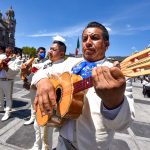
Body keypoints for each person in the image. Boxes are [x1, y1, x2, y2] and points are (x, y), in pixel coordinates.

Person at [31, 22, 135, 150]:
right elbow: (42, 71)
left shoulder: (117, 74)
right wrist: (42, 81)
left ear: (106, 45)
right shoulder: (69, 63)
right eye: (85, 38)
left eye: (95, 38)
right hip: (62, 142)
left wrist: (114, 102)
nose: (88, 42)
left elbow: (124, 124)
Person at [29, 40, 67, 150]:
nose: (49, 51)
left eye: (53, 49)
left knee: (46, 135)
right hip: (39, 102)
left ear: (61, 53)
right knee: (37, 126)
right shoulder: (47, 63)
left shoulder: (64, 66)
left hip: (50, 106)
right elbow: (36, 70)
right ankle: (36, 146)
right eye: (50, 48)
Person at [22, 47, 47, 125]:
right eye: (41, 52)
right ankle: (32, 118)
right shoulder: (32, 61)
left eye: (44, 52)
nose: (43, 53)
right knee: (33, 103)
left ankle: (41, 119)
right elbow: (27, 72)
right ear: (37, 53)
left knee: (42, 103)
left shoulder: (47, 62)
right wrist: (25, 80)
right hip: (33, 85)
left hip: (42, 86)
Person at [0, 46, 22, 121]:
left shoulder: (17, 60)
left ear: (13, 52)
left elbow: (16, 71)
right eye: (6, 52)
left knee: (8, 98)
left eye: (10, 52)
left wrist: (6, 68)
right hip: (0, 79)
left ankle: (7, 112)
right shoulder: (3, 58)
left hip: (8, 81)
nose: (8, 54)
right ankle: (1, 108)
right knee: (0, 96)